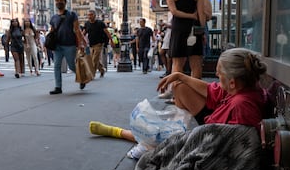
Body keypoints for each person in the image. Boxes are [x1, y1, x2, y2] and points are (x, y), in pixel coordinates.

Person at [89, 48, 268, 156]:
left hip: (209, 139)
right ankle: (169, 130)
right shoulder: (238, 88)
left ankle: (120, 133)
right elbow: (211, 90)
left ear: (232, 82)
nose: (215, 75)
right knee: (180, 86)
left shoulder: (242, 105)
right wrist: (179, 75)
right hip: (211, 125)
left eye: (219, 73)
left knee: (159, 138)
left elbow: (232, 144)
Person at [167, 0, 206, 79]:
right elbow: (201, 13)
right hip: (194, 29)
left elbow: (174, 11)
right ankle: (195, 92)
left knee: (177, 64)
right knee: (196, 63)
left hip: (179, 29)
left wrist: (188, 16)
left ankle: (177, 93)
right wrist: (202, 31)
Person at [49, 0, 87, 94]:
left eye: (61, 0)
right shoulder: (53, 18)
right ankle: (58, 87)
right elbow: (52, 32)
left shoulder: (72, 14)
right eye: (57, 0)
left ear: (65, 2)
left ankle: (82, 79)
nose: (58, 2)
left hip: (70, 45)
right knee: (56, 66)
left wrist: (81, 44)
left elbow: (77, 30)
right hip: (57, 46)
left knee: (71, 66)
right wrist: (50, 44)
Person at [83, 10, 114, 77]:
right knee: (94, 59)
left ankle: (92, 74)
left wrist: (111, 40)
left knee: (94, 59)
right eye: (88, 15)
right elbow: (84, 33)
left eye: (91, 15)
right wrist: (80, 41)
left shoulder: (100, 23)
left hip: (99, 44)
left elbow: (107, 32)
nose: (89, 16)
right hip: (91, 44)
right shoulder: (87, 24)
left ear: (95, 15)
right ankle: (101, 70)